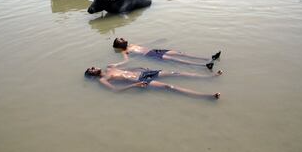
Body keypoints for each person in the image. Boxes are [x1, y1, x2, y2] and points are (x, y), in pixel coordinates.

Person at [84, 65, 222, 99]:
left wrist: (138, 67)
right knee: (169, 86)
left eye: (92, 67)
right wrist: (134, 85)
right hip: (139, 80)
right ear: (92, 75)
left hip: (143, 73)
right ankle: (206, 96)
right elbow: (115, 90)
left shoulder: (110, 67)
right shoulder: (103, 80)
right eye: (90, 70)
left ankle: (208, 77)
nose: (93, 67)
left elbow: (126, 69)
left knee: (175, 72)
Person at [111, 37, 221, 69]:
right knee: (176, 59)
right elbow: (126, 61)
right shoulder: (125, 51)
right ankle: (204, 65)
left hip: (155, 50)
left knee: (180, 53)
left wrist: (156, 41)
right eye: (120, 39)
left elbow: (146, 43)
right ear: (119, 45)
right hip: (151, 55)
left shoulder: (132, 45)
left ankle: (208, 58)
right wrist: (116, 65)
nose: (123, 38)